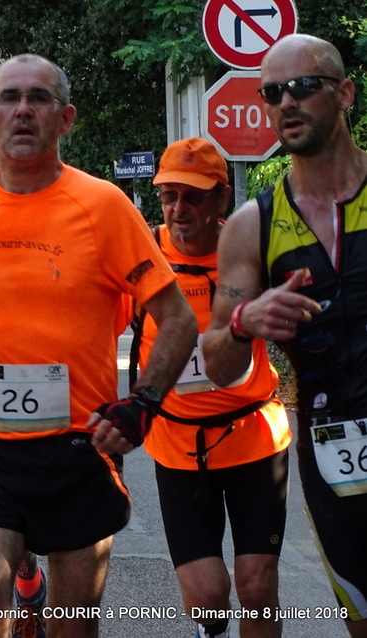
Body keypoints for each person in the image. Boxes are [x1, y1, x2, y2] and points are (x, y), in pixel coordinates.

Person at [0, 54, 197, 638]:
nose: (22, 110)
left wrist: (143, 404)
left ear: (66, 118)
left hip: (80, 449)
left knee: (71, 629)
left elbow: (176, 318)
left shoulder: (106, 207)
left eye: (39, 98)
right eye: (9, 98)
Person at [203, 34, 367, 638]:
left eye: (304, 86)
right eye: (272, 92)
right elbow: (219, 362)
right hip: (333, 453)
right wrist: (246, 324)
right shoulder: (254, 225)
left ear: (345, 93)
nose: (286, 103)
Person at [130, 138, 291, 638]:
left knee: (257, 585)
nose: (180, 208)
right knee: (208, 596)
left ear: (222, 199)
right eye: (169, 195)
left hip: (254, 438)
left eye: (194, 196)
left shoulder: (250, 252)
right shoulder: (144, 257)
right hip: (179, 447)